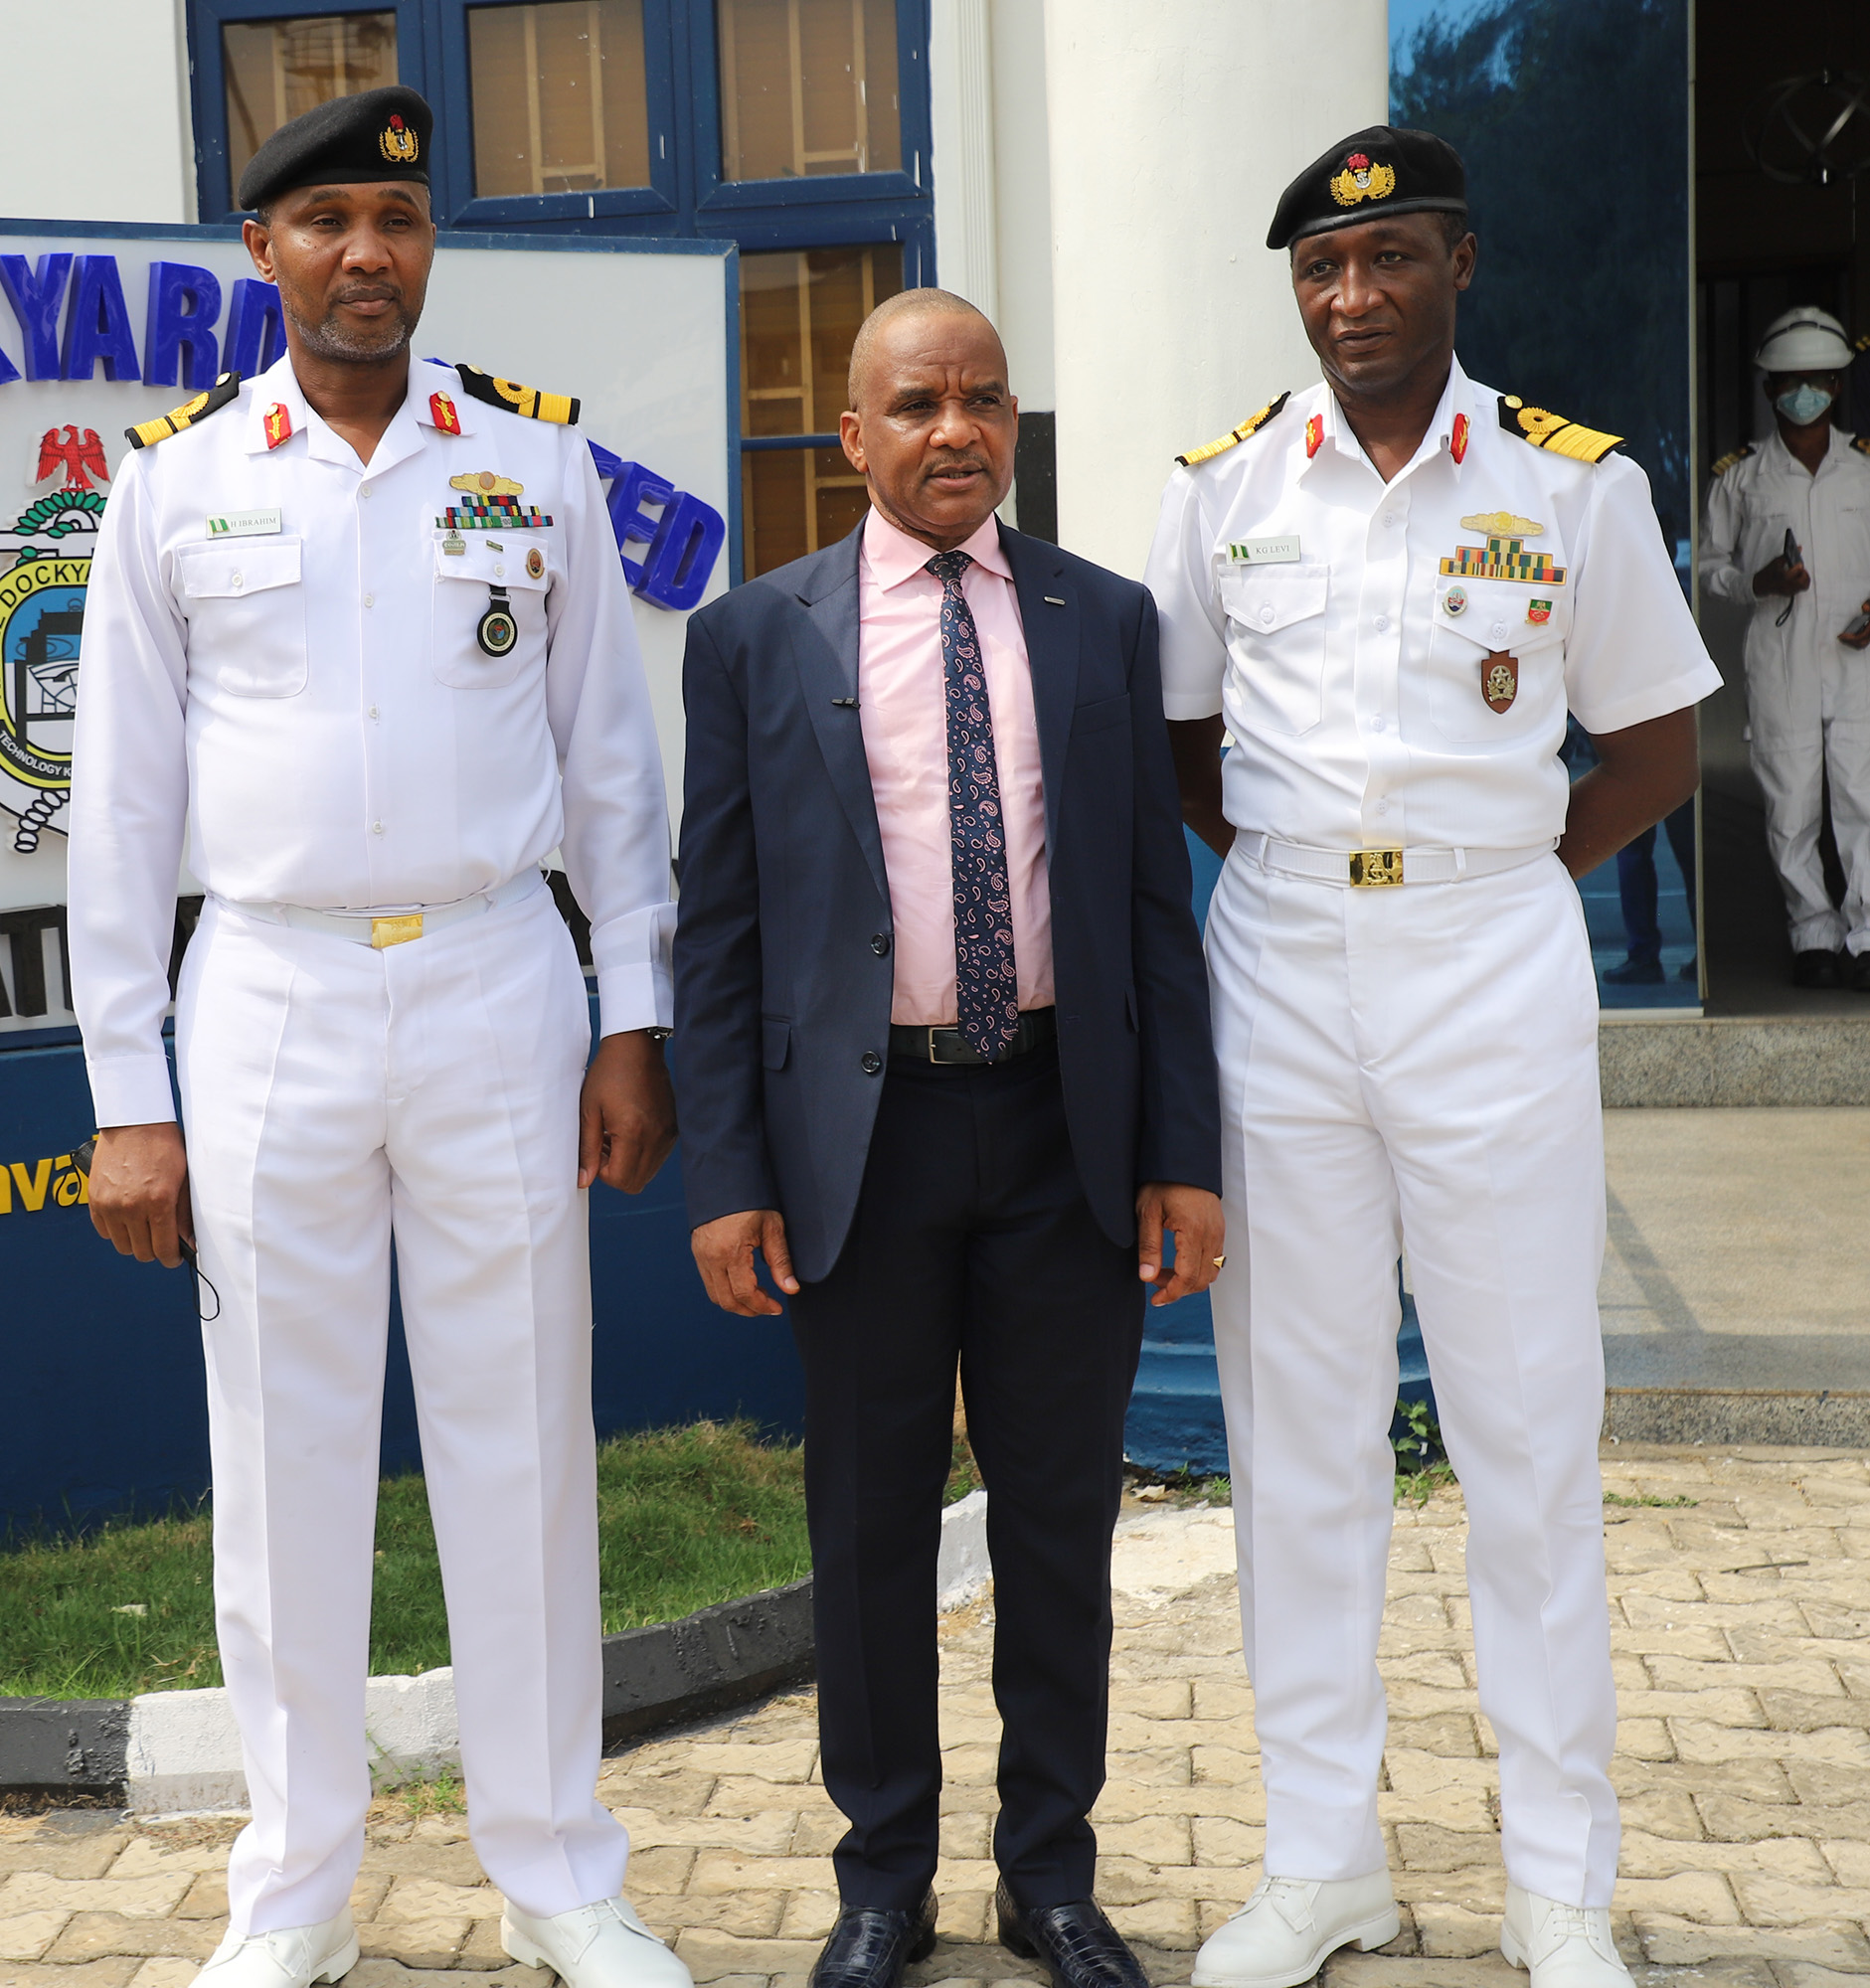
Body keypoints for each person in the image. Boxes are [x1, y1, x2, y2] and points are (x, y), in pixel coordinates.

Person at [68, 87, 688, 1988]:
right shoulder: (178, 484)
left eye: (398, 221)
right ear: (260, 249)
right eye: (326, 220)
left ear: (431, 249)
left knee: (525, 1440)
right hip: (265, 993)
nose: (365, 254)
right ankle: (296, 1892)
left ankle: (560, 1872)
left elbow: (609, 771)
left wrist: (634, 1011)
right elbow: (119, 809)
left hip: (503, 979)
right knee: (283, 1465)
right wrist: (127, 1098)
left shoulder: (534, 469)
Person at [1143, 126, 1721, 1988]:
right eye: (1322, 269)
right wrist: (1327, 885)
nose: (1352, 297)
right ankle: (1323, 1863)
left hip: (1492, 963)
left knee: (1527, 1433)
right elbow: (1182, 749)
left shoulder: (1572, 488)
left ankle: (1560, 1888)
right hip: (1286, 967)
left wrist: (1488, 880)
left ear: (1459, 266)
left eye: (1389, 259)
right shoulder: (1226, 487)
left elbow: (1649, 753)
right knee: (1296, 1435)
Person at [674, 290, 1223, 1988]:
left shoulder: (1102, 619)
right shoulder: (757, 634)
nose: (955, 432)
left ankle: (1049, 1875)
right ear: (852, 435)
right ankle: (880, 1881)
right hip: (864, 1143)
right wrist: (725, 1174)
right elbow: (719, 923)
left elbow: (1150, 904)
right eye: (917, 403)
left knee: (1060, 1525)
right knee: (870, 1530)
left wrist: (1179, 1151)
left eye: (984, 401)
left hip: (1064, 1128)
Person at [1700, 305, 1870, 989]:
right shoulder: (1739, 477)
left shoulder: (1862, 467)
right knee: (1791, 803)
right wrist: (1756, 580)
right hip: (1780, 660)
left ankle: (1865, 937)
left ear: (1836, 386)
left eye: (1819, 380)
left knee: (1862, 799)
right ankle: (1812, 937)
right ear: (1769, 389)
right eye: (1791, 382)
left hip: (1857, 661)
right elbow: (1709, 569)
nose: (1806, 392)